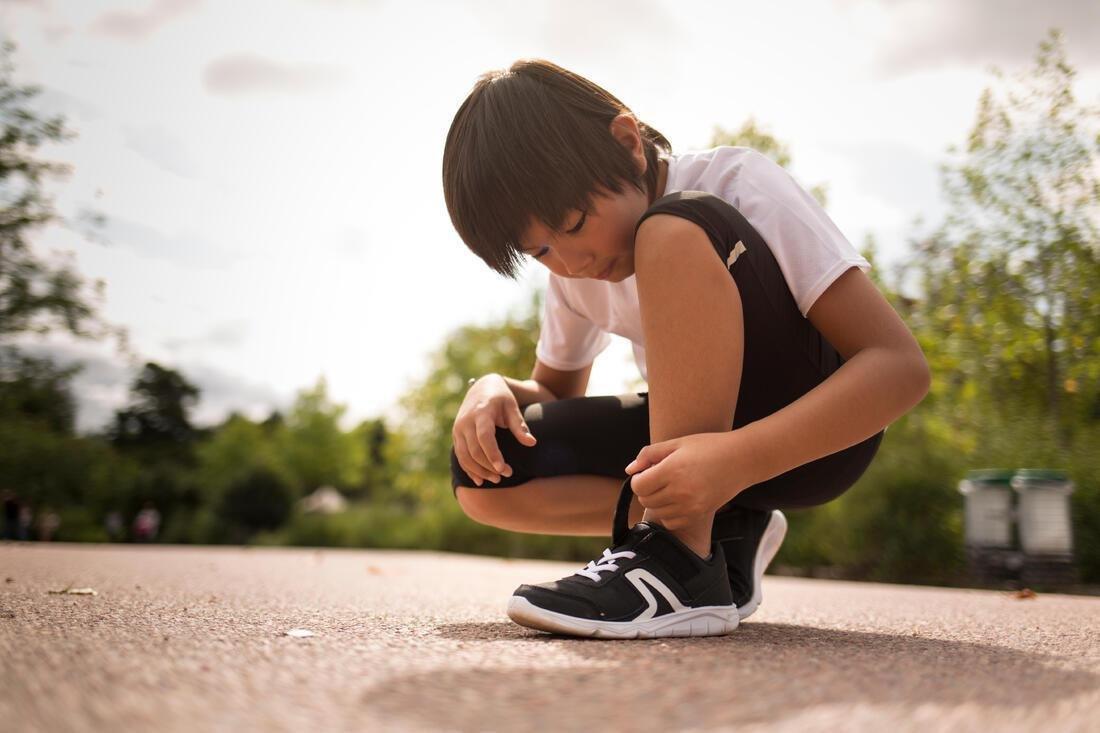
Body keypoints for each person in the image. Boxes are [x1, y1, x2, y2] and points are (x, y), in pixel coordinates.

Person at [442, 59, 930, 639]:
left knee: (670, 228)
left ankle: (678, 559)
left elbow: (899, 367)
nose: (571, 263)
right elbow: (553, 394)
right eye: (541, 251)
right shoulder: (575, 276)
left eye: (572, 223)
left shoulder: (735, 183)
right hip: (698, 455)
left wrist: (736, 461)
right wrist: (492, 388)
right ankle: (726, 531)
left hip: (813, 440)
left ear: (627, 145)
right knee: (490, 467)